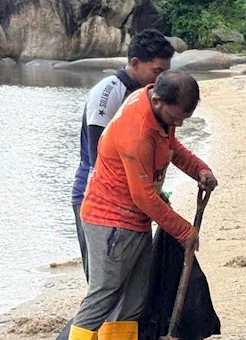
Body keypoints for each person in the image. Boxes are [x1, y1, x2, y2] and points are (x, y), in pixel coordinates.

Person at [57, 71, 218, 340]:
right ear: (158, 101)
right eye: (176, 118)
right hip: (108, 221)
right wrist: (183, 231)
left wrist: (199, 169)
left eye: (183, 120)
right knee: (102, 296)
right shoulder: (135, 128)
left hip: (135, 221)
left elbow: (172, 147)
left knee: (132, 298)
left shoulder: (159, 112)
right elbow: (144, 196)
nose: (177, 124)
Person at [70, 30, 176, 278]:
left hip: (133, 198)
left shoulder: (150, 97)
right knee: (104, 282)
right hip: (98, 198)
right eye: (157, 72)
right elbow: (99, 157)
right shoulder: (108, 93)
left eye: (165, 73)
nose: (161, 80)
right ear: (136, 64)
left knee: (132, 281)